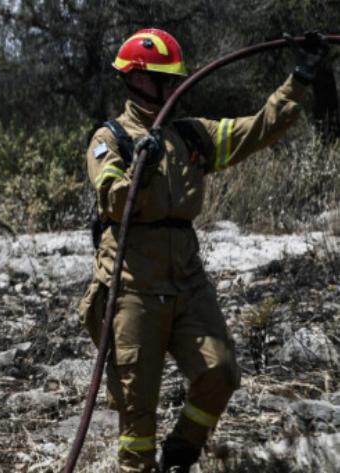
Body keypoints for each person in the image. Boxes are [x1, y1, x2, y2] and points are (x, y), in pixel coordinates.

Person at [79, 29, 327, 473]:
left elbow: (256, 129)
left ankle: (182, 452)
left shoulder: (192, 136)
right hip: (133, 288)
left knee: (220, 372)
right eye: (165, 80)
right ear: (137, 80)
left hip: (187, 283)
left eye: (177, 80)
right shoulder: (109, 139)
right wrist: (144, 161)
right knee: (137, 416)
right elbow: (114, 198)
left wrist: (299, 79)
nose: (175, 88)